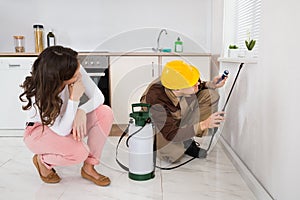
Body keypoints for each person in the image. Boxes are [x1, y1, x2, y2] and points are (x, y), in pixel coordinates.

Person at [19, 46, 113, 186]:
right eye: (75, 76)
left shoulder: (73, 68)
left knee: (105, 112)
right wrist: (74, 98)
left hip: (66, 122)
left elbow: (98, 97)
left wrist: (81, 110)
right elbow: (61, 131)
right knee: (80, 152)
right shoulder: (39, 94)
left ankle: (89, 168)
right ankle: (43, 161)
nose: (79, 75)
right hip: (39, 131)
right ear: (59, 78)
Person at [140, 60, 227, 163]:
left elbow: (197, 85)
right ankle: (157, 141)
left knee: (210, 95)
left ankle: (186, 138)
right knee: (173, 156)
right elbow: (171, 133)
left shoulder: (177, 79)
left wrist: (211, 84)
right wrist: (204, 124)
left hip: (177, 112)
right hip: (161, 125)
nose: (198, 83)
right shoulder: (157, 100)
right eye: (193, 84)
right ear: (177, 89)